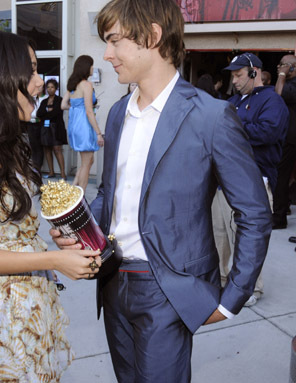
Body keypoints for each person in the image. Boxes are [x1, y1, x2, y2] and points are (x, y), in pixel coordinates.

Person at [51, 0, 272, 381]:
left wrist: (233, 296)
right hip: (112, 280)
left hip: (169, 288)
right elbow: (111, 194)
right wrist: (79, 228)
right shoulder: (118, 113)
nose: (107, 54)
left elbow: (254, 212)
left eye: (115, 41)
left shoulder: (211, 116)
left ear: (152, 37)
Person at [0, 31, 102, 382]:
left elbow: (8, 229)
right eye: (29, 71)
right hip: (0, 314)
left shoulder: (4, 143)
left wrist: (56, 242)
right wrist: (54, 260)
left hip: (28, 300)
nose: (39, 81)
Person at [218, 53, 288, 306]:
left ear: (254, 72)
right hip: (222, 181)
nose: (234, 81)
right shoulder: (234, 101)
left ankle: (249, 289)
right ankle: (223, 282)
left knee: (246, 240)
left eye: (238, 75)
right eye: (232, 76)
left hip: (253, 181)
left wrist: (233, 129)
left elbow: (268, 132)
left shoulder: (272, 101)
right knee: (219, 236)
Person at [61, 55, 104, 191]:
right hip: (84, 126)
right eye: (91, 65)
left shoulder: (72, 85)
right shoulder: (86, 85)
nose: (93, 68)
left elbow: (63, 105)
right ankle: (80, 197)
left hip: (74, 125)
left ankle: (73, 189)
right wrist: (98, 133)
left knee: (88, 161)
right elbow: (89, 112)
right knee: (86, 163)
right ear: (87, 67)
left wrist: (76, 108)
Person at [272, 54, 296, 230]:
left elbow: (278, 96)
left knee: (281, 176)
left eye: (283, 65)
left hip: (290, 138)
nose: (280, 67)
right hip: (287, 137)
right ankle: (283, 209)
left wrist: (281, 76)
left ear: (293, 67)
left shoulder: (293, 85)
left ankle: (279, 218)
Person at [37, 79, 68, 179]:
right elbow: (39, 114)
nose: (50, 89)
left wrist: (46, 114)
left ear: (56, 89)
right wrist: (48, 112)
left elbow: (56, 113)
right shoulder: (44, 101)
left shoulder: (60, 100)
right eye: (48, 87)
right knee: (47, 149)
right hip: (45, 128)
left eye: (52, 87)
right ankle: (51, 172)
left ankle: (63, 173)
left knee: (57, 149)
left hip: (56, 128)